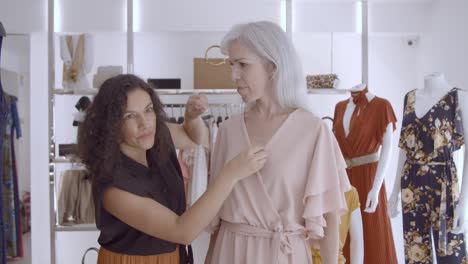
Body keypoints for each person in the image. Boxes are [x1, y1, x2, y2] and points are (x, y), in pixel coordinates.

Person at [77, 74, 268, 264]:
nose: (145, 123)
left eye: (148, 110)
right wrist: (231, 173)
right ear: (111, 124)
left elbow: (193, 139)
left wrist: (191, 118)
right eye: (130, 116)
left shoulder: (156, 136)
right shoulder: (113, 188)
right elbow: (182, 231)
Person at [204, 21, 350, 264]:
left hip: (285, 254)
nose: (233, 75)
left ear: (272, 66)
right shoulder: (228, 131)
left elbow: (331, 219)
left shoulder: (313, 131)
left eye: (242, 64)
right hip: (229, 252)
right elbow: (215, 220)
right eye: (231, 65)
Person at [388, 72, 468, 263]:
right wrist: (394, 192)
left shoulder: (458, 97)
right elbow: (404, 148)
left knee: (450, 253)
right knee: (415, 253)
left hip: (444, 184)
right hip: (411, 184)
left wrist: (463, 204)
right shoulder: (410, 98)